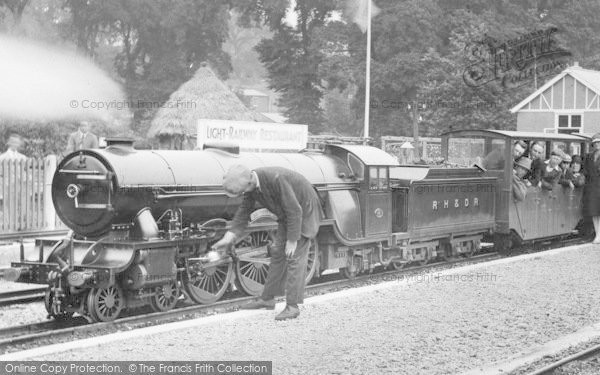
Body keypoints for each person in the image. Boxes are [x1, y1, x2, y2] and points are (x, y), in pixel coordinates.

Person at [213, 165, 323, 320]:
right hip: (287, 215)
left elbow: (295, 210)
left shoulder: (276, 179)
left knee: (294, 257)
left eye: (243, 191)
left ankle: (293, 306)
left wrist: (292, 240)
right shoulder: (251, 185)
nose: (244, 194)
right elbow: (244, 212)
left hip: (304, 213)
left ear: (249, 183)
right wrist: (229, 236)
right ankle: (267, 299)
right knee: (278, 253)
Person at [582, 133, 600, 243]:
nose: (597, 144)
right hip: (592, 187)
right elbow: (585, 170)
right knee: (594, 211)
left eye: (599, 142)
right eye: (595, 143)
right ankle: (598, 234)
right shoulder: (589, 156)